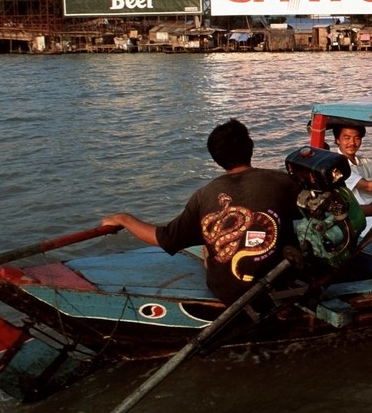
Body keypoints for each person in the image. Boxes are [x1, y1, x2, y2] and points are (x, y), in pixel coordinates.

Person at [104, 119, 301, 305]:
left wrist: (124, 219)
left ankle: (211, 261)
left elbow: (166, 238)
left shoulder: (203, 196)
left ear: (216, 158)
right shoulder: (282, 183)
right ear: (250, 147)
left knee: (208, 251)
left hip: (226, 291)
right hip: (278, 286)